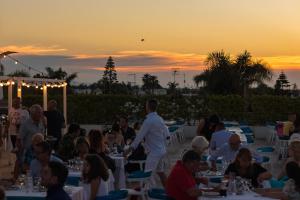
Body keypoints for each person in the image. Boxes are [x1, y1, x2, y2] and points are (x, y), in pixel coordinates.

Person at [125, 99, 170, 187]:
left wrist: (128, 150)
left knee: (148, 176)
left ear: (147, 107)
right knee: (161, 173)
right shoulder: (160, 119)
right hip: (162, 150)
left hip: (154, 153)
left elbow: (139, 137)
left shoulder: (148, 121)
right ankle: (170, 191)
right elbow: (166, 135)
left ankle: (150, 194)